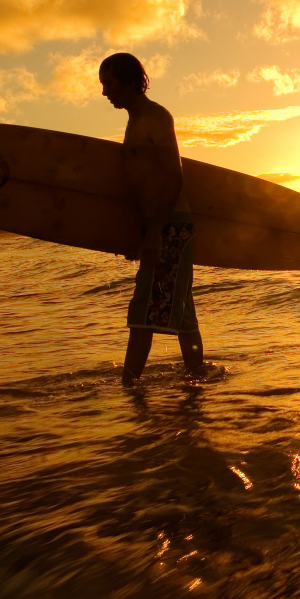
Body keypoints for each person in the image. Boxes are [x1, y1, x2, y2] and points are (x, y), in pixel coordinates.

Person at [99, 53, 204, 386]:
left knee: (144, 309)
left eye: (110, 84)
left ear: (131, 81)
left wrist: (155, 233)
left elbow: (174, 177)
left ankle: (129, 387)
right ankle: (198, 381)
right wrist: (139, 233)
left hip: (170, 224)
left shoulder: (156, 116)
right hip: (160, 225)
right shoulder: (134, 120)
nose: (105, 93)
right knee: (182, 312)